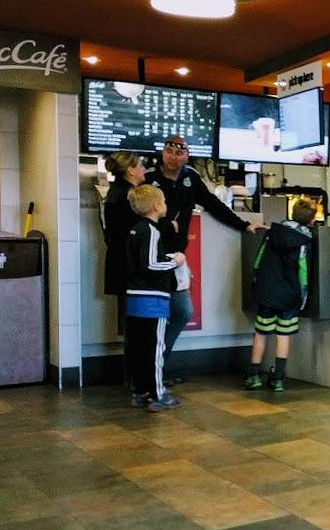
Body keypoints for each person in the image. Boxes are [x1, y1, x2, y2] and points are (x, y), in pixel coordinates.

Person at [146, 135, 256, 380]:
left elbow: (213, 205)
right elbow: (137, 210)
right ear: (162, 153)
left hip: (177, 258)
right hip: (152, 255)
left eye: (179, 153)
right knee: (150, 319)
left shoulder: (190, 178)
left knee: (182, 312)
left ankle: (156, 368)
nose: (173, 157)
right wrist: (165, 225)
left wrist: (244, 225)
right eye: (169, 151)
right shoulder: (149, 177)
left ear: (187, 156)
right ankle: (147, 375)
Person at [243, 197, 316, 393]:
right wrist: (302, 296)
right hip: (289, 295)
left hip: (267, 291)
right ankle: (278, 379)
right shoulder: (305, 240)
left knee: (261, 333)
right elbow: (303, 271)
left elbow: (258, 260)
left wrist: (256, 284)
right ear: (311, 220)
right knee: (283, 335)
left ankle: (253, 375)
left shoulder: (272, 233)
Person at [124, 185, 184, 412]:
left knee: (138, 348)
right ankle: (158, 394)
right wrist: (175, 261)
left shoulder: (135, 230)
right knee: (155, 348)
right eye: (164, 202)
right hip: (153, 300)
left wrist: (165, 257)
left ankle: (140, 392)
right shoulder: (152, 231)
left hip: (134, 299)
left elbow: (142, 260)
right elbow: (151, 264)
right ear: (157, 206)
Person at [102, 151, 147, 387]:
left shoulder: (113, 193)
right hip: (132, 267)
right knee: (137, 325)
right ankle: (138, 378)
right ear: (130, 170)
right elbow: (140, 232)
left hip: (119, 264)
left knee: (131, 323)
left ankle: (134, 377)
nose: (144, 169)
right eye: (140, 165)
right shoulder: (131, 197)